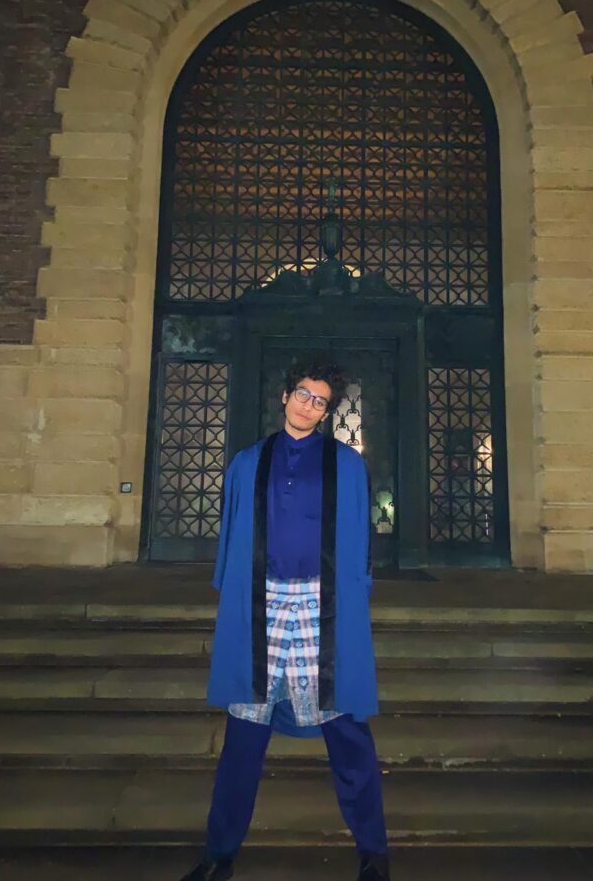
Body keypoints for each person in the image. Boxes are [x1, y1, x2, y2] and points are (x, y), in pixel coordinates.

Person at [180, 355, 390, 881]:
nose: (308, 406)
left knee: (348, 734)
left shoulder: (346, 465)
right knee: (243, 736)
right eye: (302, 394)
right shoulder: (248, 462)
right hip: (263, 605)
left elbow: (360, 546)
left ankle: (374, 852)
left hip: (323, 608)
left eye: (320, 401)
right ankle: (218, 855)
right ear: (285, 395)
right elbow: (232, 538)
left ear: (327, 411)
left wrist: (354, 602)